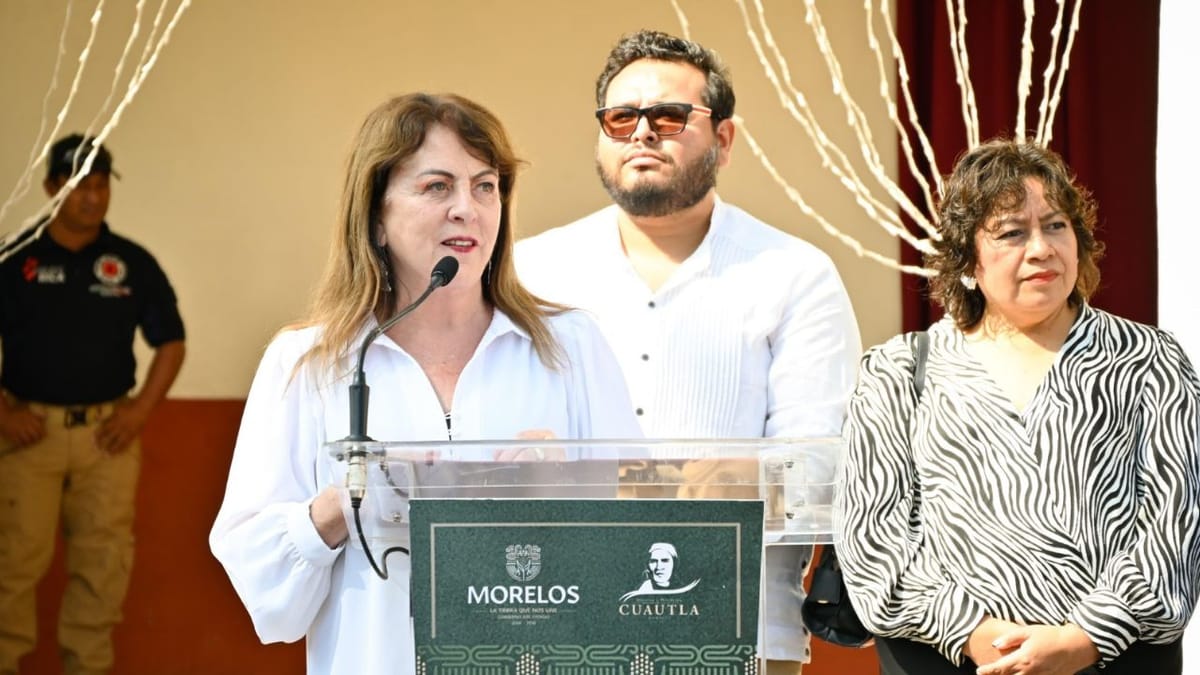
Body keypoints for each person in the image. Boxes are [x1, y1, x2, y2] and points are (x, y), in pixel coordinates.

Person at [209, 93, 641, 674]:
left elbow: (644, 554)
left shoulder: (571, 347)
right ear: (376, 217)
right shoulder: (307, 362)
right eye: (437, 186)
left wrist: (570, 487)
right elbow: (267, 600)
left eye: (485, 186)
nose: (467, 209)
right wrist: (344, 503)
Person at [515, 30, 862, 673]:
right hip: (561, 619)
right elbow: (500, 454)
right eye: (621, 118)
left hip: (737, 627)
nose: (643, 133)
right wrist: (700, 479)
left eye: (670, 116)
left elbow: (818, 470)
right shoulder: (531, 271)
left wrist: (620, 482)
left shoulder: (793, 273)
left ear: (724, 140)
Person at [838, 138, 1200, 674]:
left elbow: (1176, 526)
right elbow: (873, 542)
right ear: (966, 259)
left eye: (1055, 226)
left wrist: (1084, 638)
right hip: (949, 661)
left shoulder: (1149, 360)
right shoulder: (898, 372)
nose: (1041, 249)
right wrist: (975, 634)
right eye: (1011, 233)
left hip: (1116, 660)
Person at [0, 134, 187, 674]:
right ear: (51, 188)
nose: (92, 196)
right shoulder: (14, 259)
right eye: (79, 184)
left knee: (102, 568)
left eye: (101, 185)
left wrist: (140, 410)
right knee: (11, 566)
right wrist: (4, 415)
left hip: (106, 439)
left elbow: (171, 342)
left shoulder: (131, 262)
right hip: (27, 437)